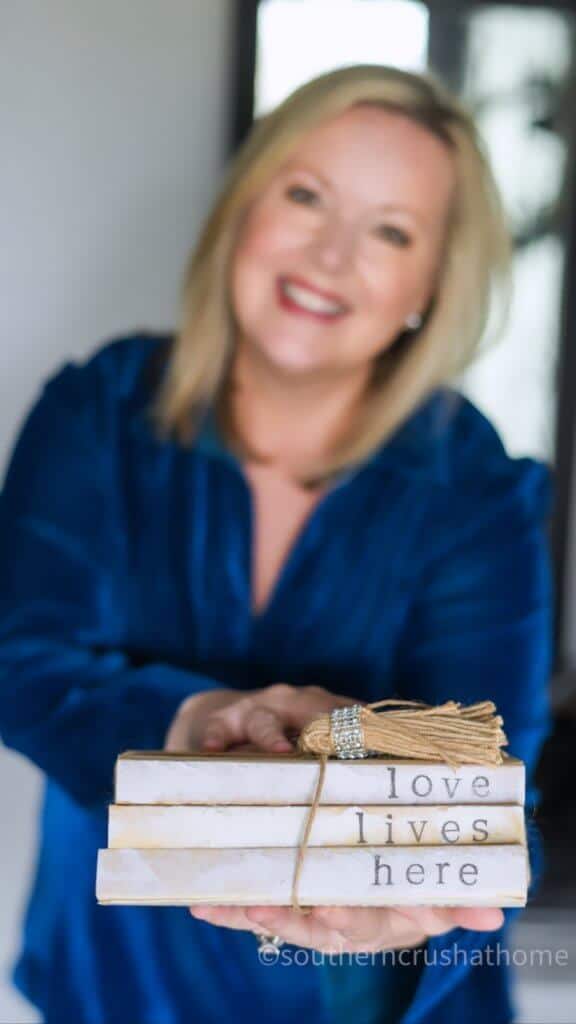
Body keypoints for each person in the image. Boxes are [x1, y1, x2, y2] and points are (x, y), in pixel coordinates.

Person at [0, 63, 553, 1024]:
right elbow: (16, 659)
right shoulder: (99, 409)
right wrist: (195, 719)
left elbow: (499, 789)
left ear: (429, 283)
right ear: (243, 209)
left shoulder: (478, 490)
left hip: (355, 1000)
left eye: (390, 231)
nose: (332, 256)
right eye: (306, 197)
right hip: (119, 983)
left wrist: (412, 909)